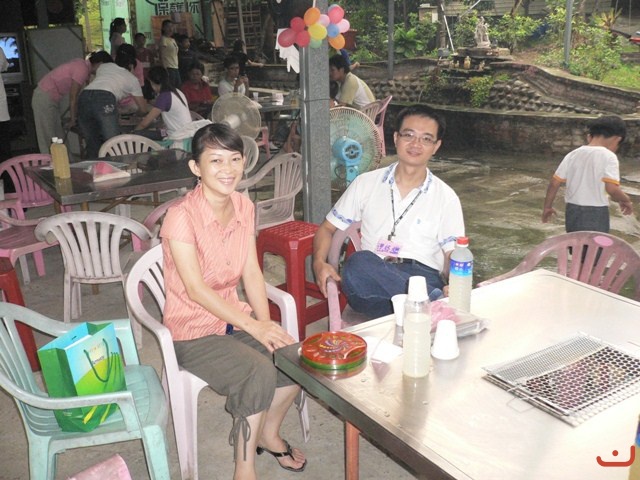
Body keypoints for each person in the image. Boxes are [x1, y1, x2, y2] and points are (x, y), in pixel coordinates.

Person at [160, 123, 307, 478]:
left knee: (294, 358)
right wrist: (253, 327)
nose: (227, 169)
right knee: (257, 372)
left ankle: (268, 434)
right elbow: (196, 289)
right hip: (191, 333)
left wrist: (265, 325)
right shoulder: (180, 216)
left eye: (235, 159)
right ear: (196, 167)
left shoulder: (243, 205)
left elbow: (252, 271)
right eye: (215, 160)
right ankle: (244, 467)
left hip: (230, 320)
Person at [312, 104, 465, 319]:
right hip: (371, 282)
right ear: (395, 138)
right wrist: (319, 263)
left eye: (426, 139)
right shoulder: (365, 183)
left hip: (423, 277)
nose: (416, 144)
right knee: (358, 263)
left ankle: (422, 308)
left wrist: (456, 283)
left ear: (436, 146)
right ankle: (431, 305)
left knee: (409, 293)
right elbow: (327, 229)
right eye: (408, 135)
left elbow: (453, 253)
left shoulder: (446, 197)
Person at [542, 115, 633, 233]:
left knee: (576, 242)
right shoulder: (609, 156)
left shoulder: (573, 154)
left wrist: (547, 207)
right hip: (596, 212)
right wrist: (626, 200)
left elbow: (554, 183)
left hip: (572, 210)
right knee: (595, 243)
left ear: (589, 136)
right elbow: (612, 189)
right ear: (617, 139)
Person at [31, 51, 111, 154]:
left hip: (51, 99)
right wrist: (73, 120)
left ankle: (67, 161)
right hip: (44, 97)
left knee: (58, 135)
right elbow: (73, 97)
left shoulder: (82, 65)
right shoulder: (82, 69)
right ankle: (50, 162)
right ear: (100, 63)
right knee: (48, 136)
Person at [77, 49, 148, 158]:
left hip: (84, 97)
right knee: (113, 143)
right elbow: (143, 109)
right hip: (104, 98)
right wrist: (136, 115)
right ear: (131, 66)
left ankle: (95, 167)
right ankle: (117, 166)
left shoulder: (105, 66)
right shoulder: (133, 79)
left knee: (92, 142)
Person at [135, 66, 192, 139]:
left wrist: (133, 132)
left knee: (138, 134)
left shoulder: (164, 96)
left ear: (152, 83)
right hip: (186, 133)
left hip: (177, 137)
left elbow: (144, 124)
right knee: (158, 130)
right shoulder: (177, 91)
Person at [159, 19, 180, 88]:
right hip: (168, 67)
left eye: (172, 26)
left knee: (178, 87)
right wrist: (164, 68)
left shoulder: (172, 39)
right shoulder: (163, 39)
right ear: (163, 28)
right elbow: (161, 54)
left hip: (175, 66)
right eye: (168, 27)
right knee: (171, 87)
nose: (170, 29)